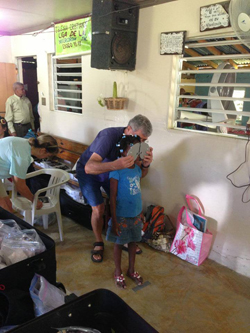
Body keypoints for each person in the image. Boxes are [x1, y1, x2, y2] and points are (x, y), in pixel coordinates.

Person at [76, 114, 153, 263]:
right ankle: (98, 242)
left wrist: (146, 165)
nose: (141, 143)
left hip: (112, 172)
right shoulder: (108, 136)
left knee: (121, 202)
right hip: (89, 173)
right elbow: (89, 167)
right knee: (98, 208)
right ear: (129, 129)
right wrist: (117, 165)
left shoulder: (137, 145)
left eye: (145, 140)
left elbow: (139, 174)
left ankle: (123, 237)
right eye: (140, 138)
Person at [106, 135, 145, 289]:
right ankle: (117, 271)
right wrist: (114, 220)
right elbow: (113, 197)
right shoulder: (116, 171)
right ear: (123, 151)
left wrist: (140, 212)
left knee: (133, 242)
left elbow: (137, 191)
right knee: (118, 243)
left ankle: (131, 270)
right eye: (132, 149)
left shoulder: (137, 169)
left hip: (135, 214)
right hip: (121, 215)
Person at [0, 134, 59, 213]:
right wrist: (34, 200)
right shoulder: (23, 157)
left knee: (8, 208)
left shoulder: (24, 143)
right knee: (5, 211)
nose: (46, 158)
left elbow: (16, 179)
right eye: (47, 156)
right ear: (43, 150)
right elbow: (20, 185)